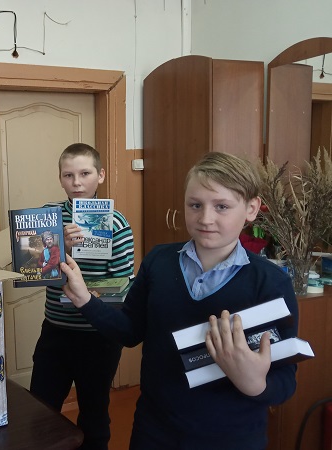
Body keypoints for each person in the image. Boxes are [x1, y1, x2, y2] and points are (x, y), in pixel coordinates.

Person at [59, 151, 299, 450]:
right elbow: (129, 331)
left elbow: (285, 380)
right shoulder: (159, 261)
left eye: (222, 206)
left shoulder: (270, 282)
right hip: (154, 430)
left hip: (231, 438)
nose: (205, 218)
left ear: (251, 209)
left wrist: (255, 382)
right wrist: (84, 299)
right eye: (195, 205)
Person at [29, 143, 135, 450]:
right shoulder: (47, 218)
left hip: (98, 336)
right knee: (41, 411)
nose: (77, 182)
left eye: (85, 174)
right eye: (69, 175)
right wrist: (59, 248)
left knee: (94, 416)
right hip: (55, 331)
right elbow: (30, 271)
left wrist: (86, 293)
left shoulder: (116, 223)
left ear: (100, 175)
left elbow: (122, 286)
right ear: (60, 179)